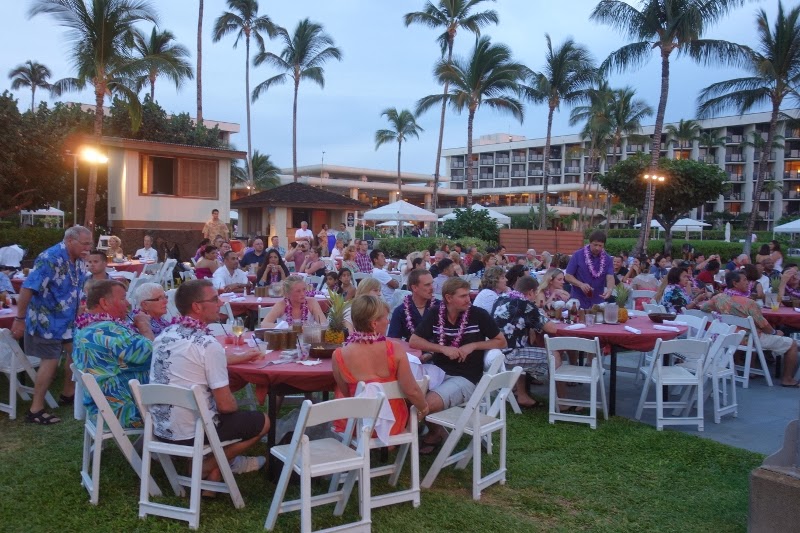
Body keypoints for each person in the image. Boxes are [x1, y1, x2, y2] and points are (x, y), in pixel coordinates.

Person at [150, 279, 269, 479]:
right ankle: (208, 466)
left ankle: (215, 474)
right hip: (193, 434)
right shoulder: (208, 344)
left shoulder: (165, 335)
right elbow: (226, 407)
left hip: (162, 430)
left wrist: (238, 358)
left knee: (219, 414)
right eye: (214, 299)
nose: (221, 302)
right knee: (262, 421)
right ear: (197, 306)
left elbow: (195, 359)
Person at [409, 277, 506, 454]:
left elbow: (501, 342)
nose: (468, 299)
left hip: (466, 378)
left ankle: (407, 435)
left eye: (468, 295)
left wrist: (474, 345)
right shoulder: (435, 314)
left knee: (424, 404)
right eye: (462, 296)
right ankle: (435, 431)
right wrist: (442, 349)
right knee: (409, 393)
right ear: (448, 298)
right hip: (438, 372)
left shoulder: (478, 315)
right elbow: (414, 341)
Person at [11, 226, 92, 424]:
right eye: (85, 243)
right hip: (47, 321)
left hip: (68, 320)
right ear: (70, 241)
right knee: (51, 361)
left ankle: (67, 393)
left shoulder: (79, 259)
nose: (88, 248)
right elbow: (28, 288)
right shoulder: (49, 258)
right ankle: (35, 409)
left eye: (90, 243)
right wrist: (19, 319)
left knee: (77, 353)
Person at [333, 295, 428, 434]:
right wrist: (424, 407)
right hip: (392, 423)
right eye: (385, 317)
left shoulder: (339, 355)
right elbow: (411, 390)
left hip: (356, 425)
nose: (388, 321)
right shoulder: (394, 349)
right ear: (374, 324)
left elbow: (347, 393)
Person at [74, 280, 154, 428]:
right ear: (104, 303)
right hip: (125, 410)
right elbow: (153, 355)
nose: (128, 303)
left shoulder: (84, 326)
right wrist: (144, 326)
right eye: (123, 298)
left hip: (99, 408)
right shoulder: (109, 331)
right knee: (182, 402)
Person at [701, 271, 800, 387]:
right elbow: (764, 326)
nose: (748, 283)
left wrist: (719, 311)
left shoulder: (719, 298)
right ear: (735, 283)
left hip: (730, 337)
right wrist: (775, 332)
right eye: (744, 280)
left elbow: (704, 307)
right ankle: (787, 379)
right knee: (792, 344)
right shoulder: (749, 303)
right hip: (751, 339)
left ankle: (754, 364)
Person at [493, 276, 560, 408]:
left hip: (493, 352)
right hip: (509, 355)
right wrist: (540, 314)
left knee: (525, 346)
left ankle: (522, 396)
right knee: (554, 354)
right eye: (535, 293)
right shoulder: (526, 304)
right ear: (530, 292)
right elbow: (552, 329)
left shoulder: (500, 298)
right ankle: (559, 402)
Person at [564, 230, 615, 309]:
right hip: (578, 301)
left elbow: (610, 277)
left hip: (597, 302)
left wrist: (610, 289)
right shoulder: (578, 255)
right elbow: (568, 276)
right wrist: (580, 284)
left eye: (600, 246)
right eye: (595, 245)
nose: (597, 248)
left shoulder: (608, 259)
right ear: (590, 243)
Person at [260, 276, 328, 328]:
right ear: (288, 294)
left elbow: (323, 324)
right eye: (298, 291)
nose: (302, 294)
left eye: (304, 289)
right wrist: (287, 328)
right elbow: (264, 324)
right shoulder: (281, 305)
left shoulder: (312, 302)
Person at [388, 269, 434, 341]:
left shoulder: (440, 307)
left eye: (432, 283)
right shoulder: (400, 311)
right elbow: (394, 340)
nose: (432, 288)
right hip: (410, 350)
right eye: (427, 285)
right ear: (414, 288)